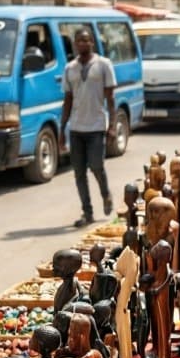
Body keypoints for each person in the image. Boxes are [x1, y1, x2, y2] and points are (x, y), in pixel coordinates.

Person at [59, 27, 115, 228]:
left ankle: (105, 194)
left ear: (92, 42)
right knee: (79, 172)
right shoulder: (70, 68)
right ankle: (87, 211)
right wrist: (62, 129)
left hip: (97, 126)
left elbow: (110, 98)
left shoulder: (103, 65)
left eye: (86, 40)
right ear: (75, 44)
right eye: (79, 41)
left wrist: (113, 126)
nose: (82, 44)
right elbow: (67, 100)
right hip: (76, 128)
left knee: (96, 166)